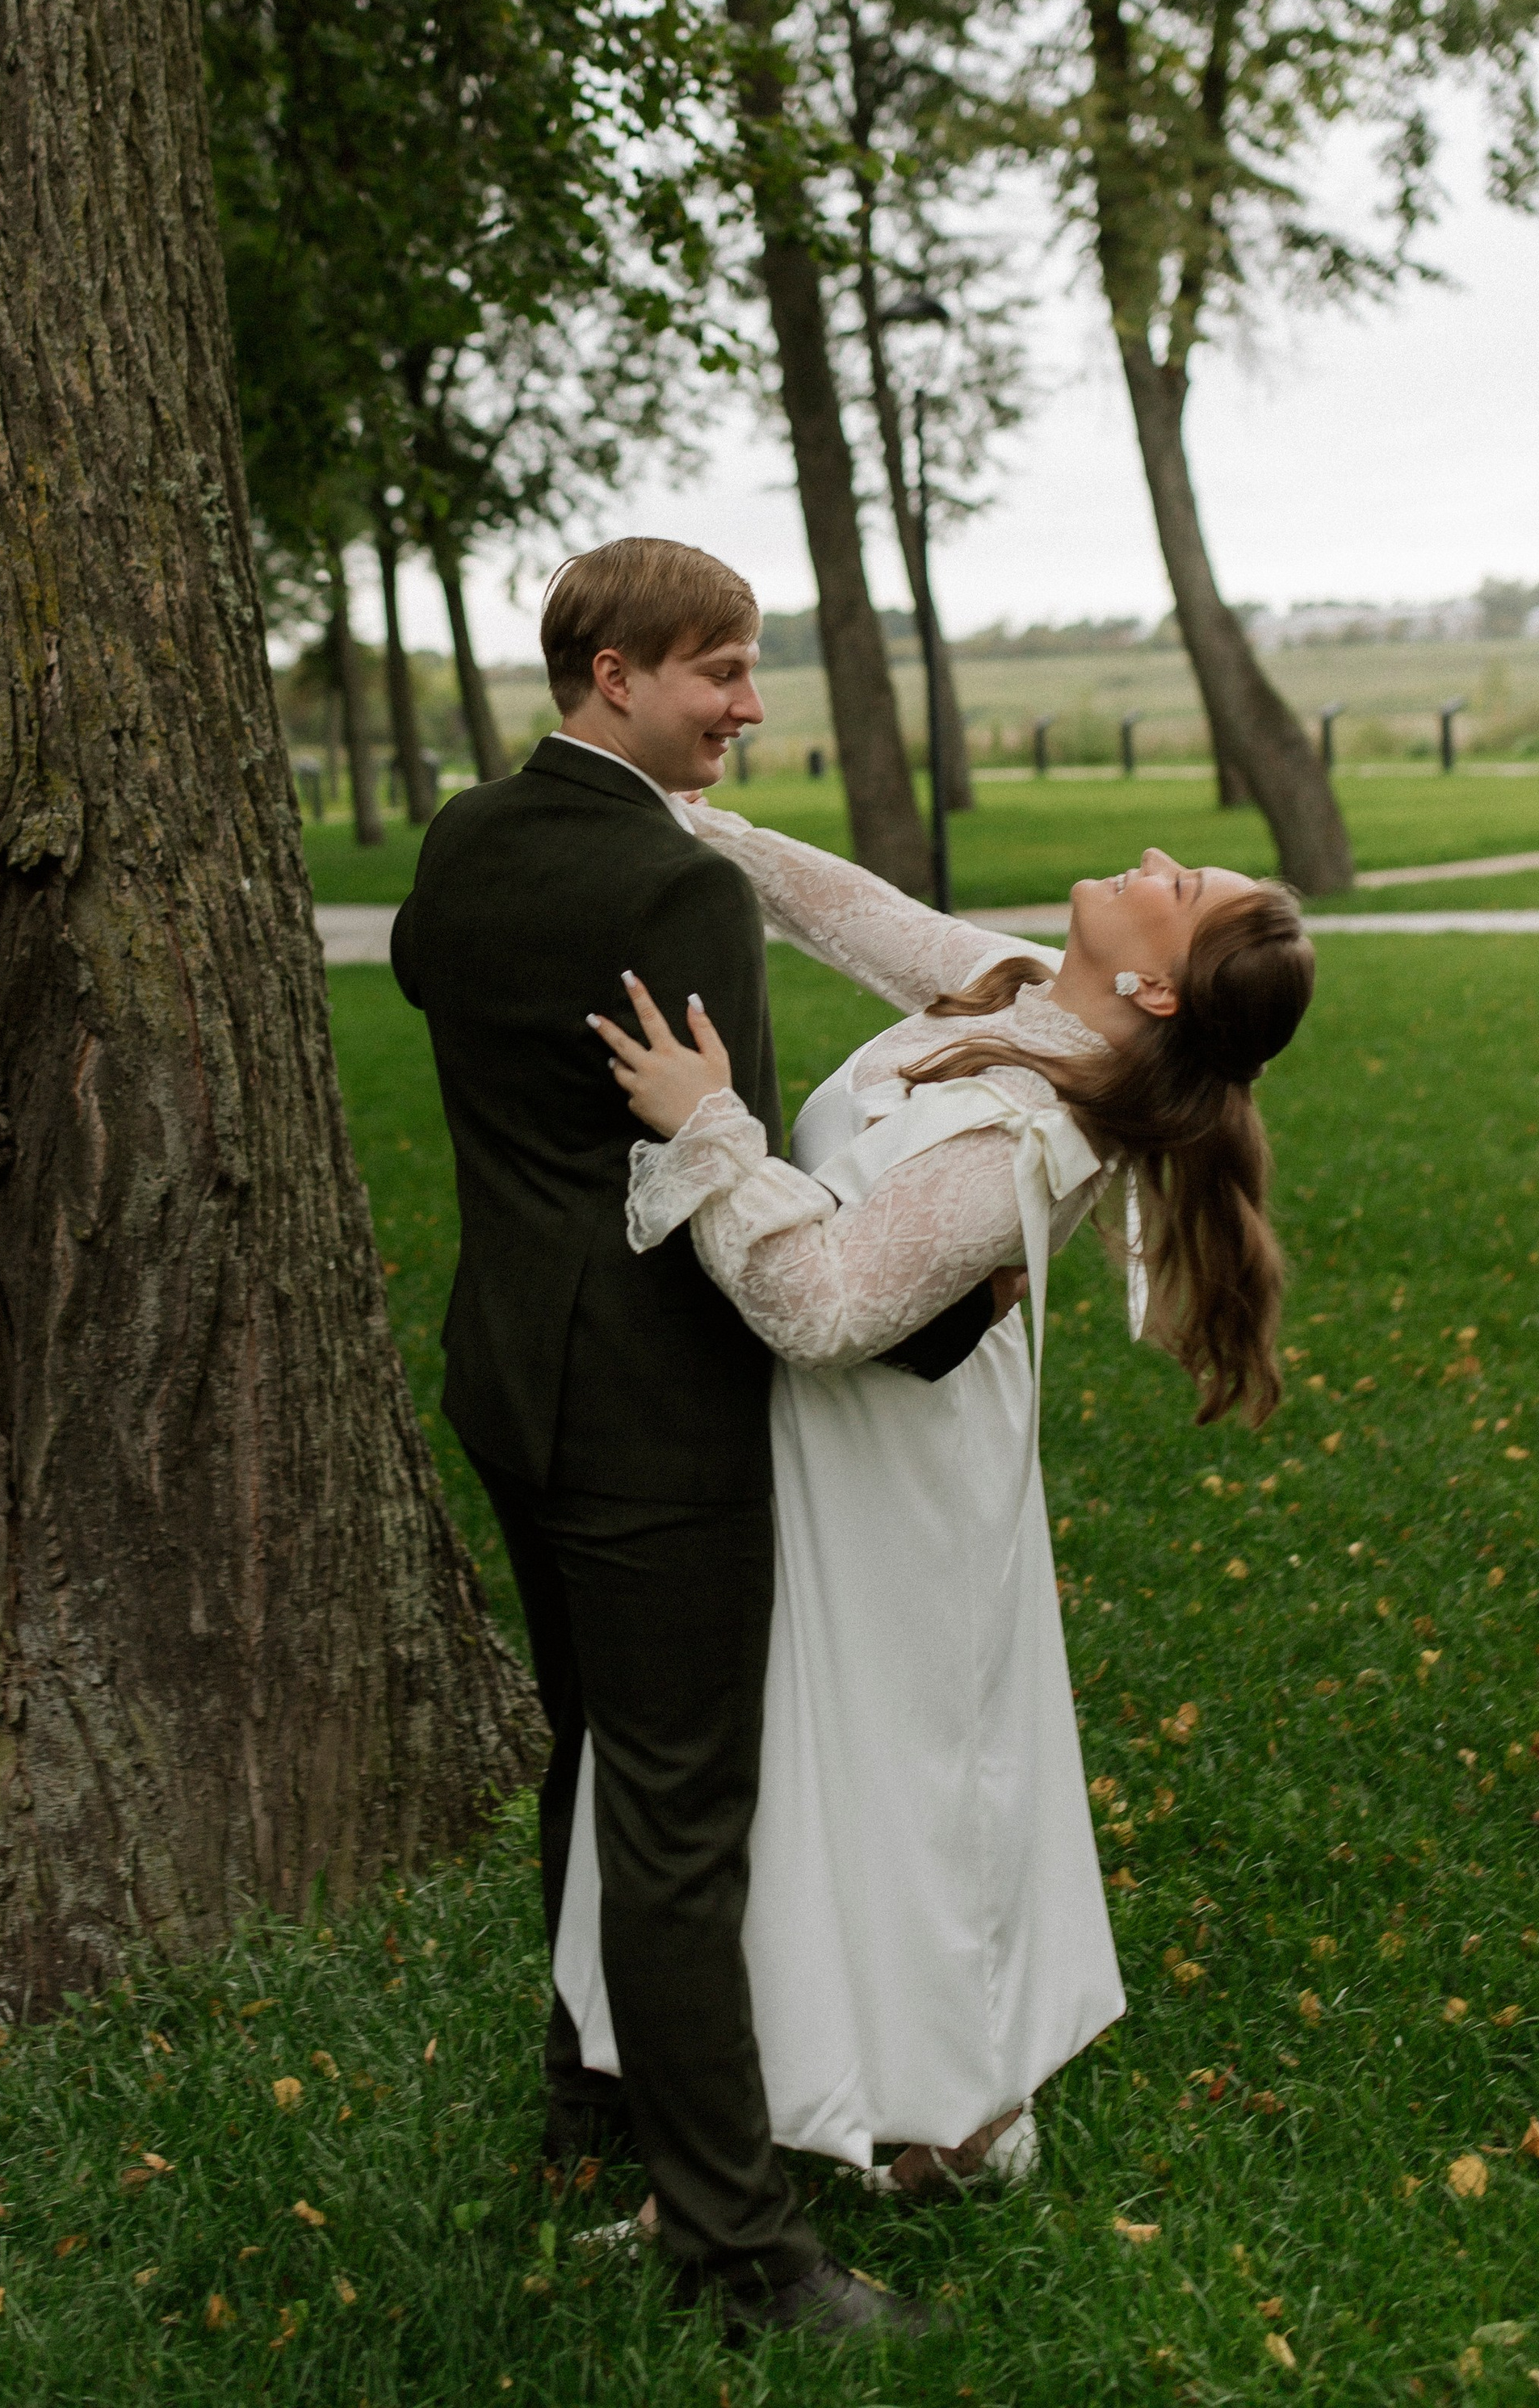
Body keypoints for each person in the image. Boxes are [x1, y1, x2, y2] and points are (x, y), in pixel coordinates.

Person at [390, 539, 994, 2344]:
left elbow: (428, 977)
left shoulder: (460, 838)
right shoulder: (671, 887)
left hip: (505, 1371)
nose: (745, 705)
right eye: (716, 671)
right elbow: (716, 1159)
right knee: (676, 1808)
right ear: (609, 678)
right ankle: (735, 2249)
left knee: (596, 1753)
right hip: (650, 1407)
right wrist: (950, 1312)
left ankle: (590, 2093)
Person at [568, 816, 1314, 2197]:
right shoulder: (1023, 988)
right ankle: (867, 2114)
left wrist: (707, 1124)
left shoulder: (1043, 1133)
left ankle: (944, 2117)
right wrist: (658, 804)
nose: (1150, 854)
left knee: (883, 1786)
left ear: (1157, 989)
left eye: (1181, 886)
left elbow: (825, 1305)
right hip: (832, 1456)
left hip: (898, 1485)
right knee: (808, 1774)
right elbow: (844, 904)